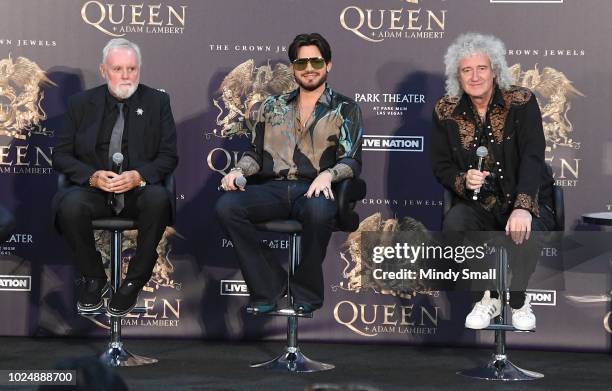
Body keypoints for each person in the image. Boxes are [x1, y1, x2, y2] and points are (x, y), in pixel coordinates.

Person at [215, 33, 363, 314]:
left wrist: (328, 175)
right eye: (301, 62)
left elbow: (352, 160)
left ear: (328, 64)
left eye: (316, 61)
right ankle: (271, 284)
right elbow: (255, 155)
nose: (309, 68)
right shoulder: (272, 106)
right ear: (294, 67)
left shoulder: (346, 108)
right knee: (227, 206)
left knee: (319, 211)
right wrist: (238, 171)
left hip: (314, 189)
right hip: (273, 188)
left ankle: (305, 290)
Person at [431, 33, 555, 331]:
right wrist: (464, 179)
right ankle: (488, 295)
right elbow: (441, 166)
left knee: (526, 229)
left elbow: (532, 157)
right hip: (480, 204)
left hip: (526, 198)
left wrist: (523, 206)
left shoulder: (522, 101)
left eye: (481, 68)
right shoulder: (445, 110)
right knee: (455, 223)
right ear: (457, 76)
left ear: (495, 70)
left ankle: (518, 297)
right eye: (466, 70)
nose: (475, 77)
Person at [52, 38, 177, 316]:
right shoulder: (81, 103)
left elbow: (169, 157)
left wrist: (138, 176)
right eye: (118, 69)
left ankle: (135, 279)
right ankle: (94, 277)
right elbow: (61, 155)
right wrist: (92, 177)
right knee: (70, 205)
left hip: (138, 193)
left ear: (139, 69)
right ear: (103, 70)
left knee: (158, 198)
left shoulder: (157, 102)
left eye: (132, 69)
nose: (125, 76)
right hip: (95, 192)